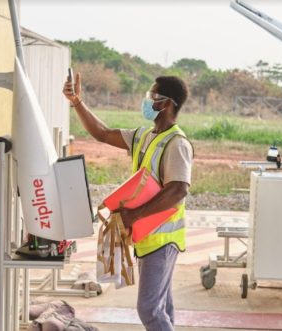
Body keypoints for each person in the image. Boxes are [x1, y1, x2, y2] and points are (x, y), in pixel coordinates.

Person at [63, 73, 193, 331]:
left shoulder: (177, 143)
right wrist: (77, 102)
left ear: (166, 104)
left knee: (149, 309)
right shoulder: (144, 136)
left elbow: (178, 190)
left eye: (152, 97)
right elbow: (102, 133)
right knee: (161, 307)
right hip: (147, 236)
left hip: (162, 240)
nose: (147, 101)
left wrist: (134, 215)